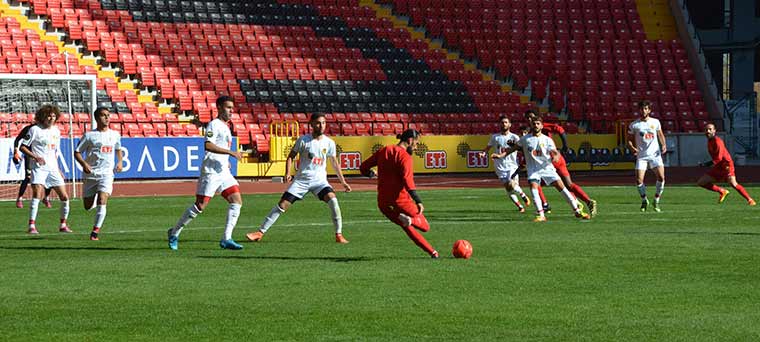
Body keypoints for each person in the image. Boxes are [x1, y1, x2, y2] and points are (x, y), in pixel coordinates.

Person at [246, 112, 351, 243]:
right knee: (282, 204)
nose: (321, 125)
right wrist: (287, 173)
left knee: (333, 201)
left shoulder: (329, 143)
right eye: (318, 123)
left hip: (320, 182)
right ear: (312, 124)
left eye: (324, 123)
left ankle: (339, 235)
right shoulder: (303, 140)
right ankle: (260, 233)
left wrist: (343, 182)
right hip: (302, 181)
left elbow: (335, 163)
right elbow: (291, 156)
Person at [167, 96, 244, 250]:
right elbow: (208, 145)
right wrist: (230, 153)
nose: (231, 111)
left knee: (236, 200)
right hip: (211, 172)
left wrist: (225, 160)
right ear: (219, 107)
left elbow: (218, 147)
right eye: (228, 107)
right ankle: (174, 232)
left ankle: (226, 238)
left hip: (223, 171)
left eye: (232, 108)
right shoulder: (213, 125)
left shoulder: (226, 126)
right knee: (200, 206)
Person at [360, 129, 439, 258]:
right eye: (416, 142)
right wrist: (418, 200)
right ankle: (411, 220)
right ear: (410, 140)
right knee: (424, 226)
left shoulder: (384, 150)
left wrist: (370, 173)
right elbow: (408, 180)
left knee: (406, 227)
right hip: (400, 201)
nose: (416, 146)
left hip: (383, 202)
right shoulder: (405, 156)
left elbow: (363, 167)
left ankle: (432, 252)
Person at [499, 118, 590, 222]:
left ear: (542, 126)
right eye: (534, 124)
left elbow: (555, 151)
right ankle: (541, 214)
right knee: (534, 188)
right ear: (531, 126)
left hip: (547, 168)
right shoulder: (525, 139)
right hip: (533, 169)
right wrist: (500, 155)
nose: (536, 125)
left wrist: (556, 156)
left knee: (562, 187)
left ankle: (577, 210)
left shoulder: (547, 139)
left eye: (538, 124)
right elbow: (512, 149)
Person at [524, 110, 597, 217]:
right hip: (545, 162)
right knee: (562, 185)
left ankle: (582, 202)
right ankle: (581, 203)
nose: (530, 119)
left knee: (543, 183)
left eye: (532, 117)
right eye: (528, 118)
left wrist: (565, 146)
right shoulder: (530, 133)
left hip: (552, 161)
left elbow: (559, 129)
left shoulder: (542, 127)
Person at [18, 105, 72, 234]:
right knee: (37, 194)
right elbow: (23, 147)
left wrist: (58, 168)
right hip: (38, 168)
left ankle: (63, 225)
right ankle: (31, 226)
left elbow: (55, 152)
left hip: (53, 168)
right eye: (49, 115)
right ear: (43, 116)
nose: (51, 118)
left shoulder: (56, 131)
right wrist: (35, 157)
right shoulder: (34, 130)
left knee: (64, 197)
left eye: (54, 116)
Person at [74, 107, 124, 241]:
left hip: (106, 174)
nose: (107, 118)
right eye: (103, 115)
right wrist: (84, 164)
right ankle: (95, 199)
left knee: (102, 200)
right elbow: (77, 152)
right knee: (88, 206)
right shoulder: (89, 136)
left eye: (108, 115)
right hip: (91, 174)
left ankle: (95, 232)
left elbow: (118, 149)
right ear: (96, 119)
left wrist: (120, 161)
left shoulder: (115, 135)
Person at [479, 115, 531, 212]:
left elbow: (522, 148)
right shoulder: (495, 137)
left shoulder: (514, 137)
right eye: (502, 122)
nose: (504, 124)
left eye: (506, 122)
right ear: (500, 124)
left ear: (510, 124)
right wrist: (483, 153)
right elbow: (487, 148)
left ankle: (523, 195)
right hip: (499, 166)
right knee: (508, 188)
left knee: (511, 184)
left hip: (512, 165)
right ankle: (520, 206)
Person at [696, 123, 755, 205]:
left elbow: (719, 158)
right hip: (718, 166)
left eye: (710, 129)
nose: (708, 131)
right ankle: (722, 191)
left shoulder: (718, 141)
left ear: (714, 131)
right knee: (701, 182)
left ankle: (750, 200)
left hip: (726, 165)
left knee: (733, 184)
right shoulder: (710, 141)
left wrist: (706, 164)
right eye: (706, 130)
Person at [627, 100, 667, 212]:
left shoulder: (656, 122)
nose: (643, 111)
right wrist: (632, 148)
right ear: (639, 110)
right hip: (642, 156)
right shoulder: (634, 125)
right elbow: (629, 140)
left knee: (661, 178)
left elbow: (661, 135)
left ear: (649, 110)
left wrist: (664, 145)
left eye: (646, 108)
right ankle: (644, 200)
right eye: (641, 109)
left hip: (655, 155)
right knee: (639, 180)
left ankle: (656, 200)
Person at [13, 122, 52, 209]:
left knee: (49, 177)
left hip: (43, 157)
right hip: (30, 157)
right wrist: (15, 151)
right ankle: (19, 198)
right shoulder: (29, 129)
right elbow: (17, 139)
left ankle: (46, 198)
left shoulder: (46, 129)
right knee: (28, 177)